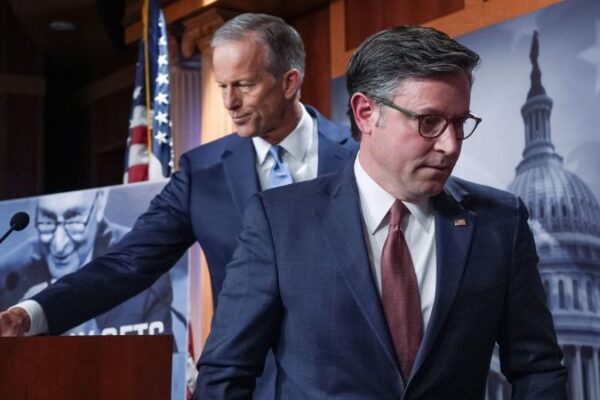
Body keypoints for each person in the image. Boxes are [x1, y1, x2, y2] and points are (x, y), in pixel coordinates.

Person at [195, 25, 567, 399]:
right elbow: (226, 373)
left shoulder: (500, 222)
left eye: (459, 123)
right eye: (429, 122)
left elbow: (538, 368)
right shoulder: (279, 222)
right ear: (366, 113)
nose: (451, 145)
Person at [0, 12, 357, 399]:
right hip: (242, 387)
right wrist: (29, 315)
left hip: (344, 385)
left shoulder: (357, 160)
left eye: (244, 85)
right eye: (222, 86)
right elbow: (127, 263)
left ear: (290, 82)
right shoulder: (201, 174)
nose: (230, 102)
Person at [0, 189, 173, 336]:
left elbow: (162, 360)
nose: (59, 245)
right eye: (47, 220)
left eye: (74, 219)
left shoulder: (142, 268)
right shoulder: (8, 275)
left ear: (100, 203)